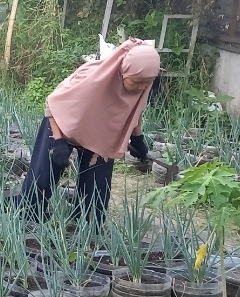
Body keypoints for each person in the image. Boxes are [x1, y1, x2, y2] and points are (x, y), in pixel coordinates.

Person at [18, 37, 160, 227]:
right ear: (124, 71)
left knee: (97, 189)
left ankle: (85, 228)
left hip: (102, 134)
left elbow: (135, 110)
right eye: (137, 82)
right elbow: (53, 102)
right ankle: (28, 219)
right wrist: (59, 142)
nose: (142, 87)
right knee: (43, 179)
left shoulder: (141, 85)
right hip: (63, 124)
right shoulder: (92, 75)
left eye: (148, 82)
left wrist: (137, 137)